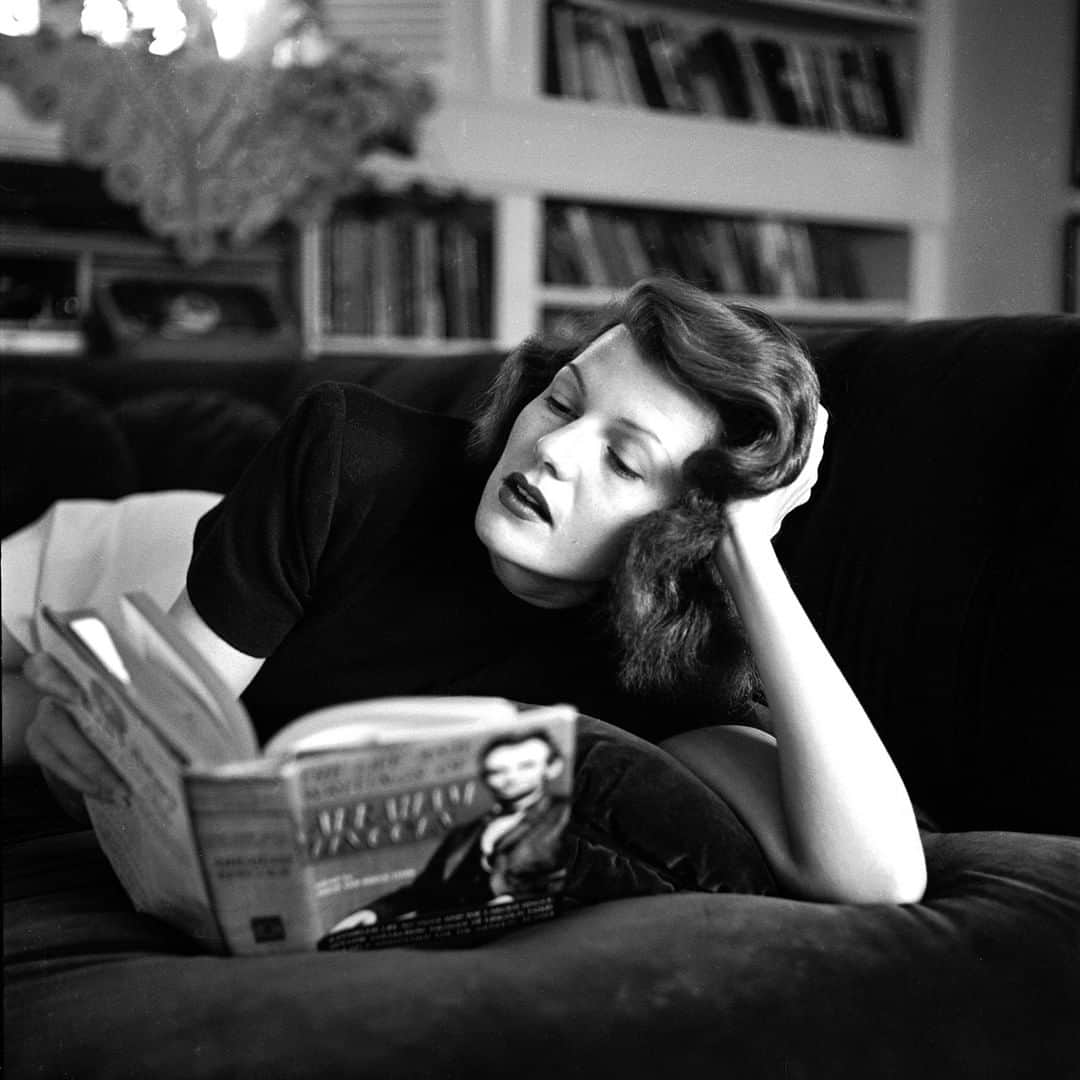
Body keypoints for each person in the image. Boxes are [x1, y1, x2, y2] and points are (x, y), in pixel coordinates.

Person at [20, 275, 927, 905]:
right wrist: (91, 755)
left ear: (680, 529)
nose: (553, 450)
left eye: (621, 459)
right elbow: (145, 754)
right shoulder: (352, 455)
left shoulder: (666, 677)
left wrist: (745, 543)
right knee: (45, 725)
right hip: (131, 561)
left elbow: (878, 875)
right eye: (564, 403)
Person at [327, 729, 570, 935]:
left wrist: (519, 902)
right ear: (484, 777)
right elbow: (423, 890)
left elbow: (580, 879)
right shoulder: (465, 832)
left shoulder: (566, 815)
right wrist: (374, 912)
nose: (511, 778)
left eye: (526, 766)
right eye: (497, 772)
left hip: (523, 934)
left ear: (553, 767)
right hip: (450, 934)